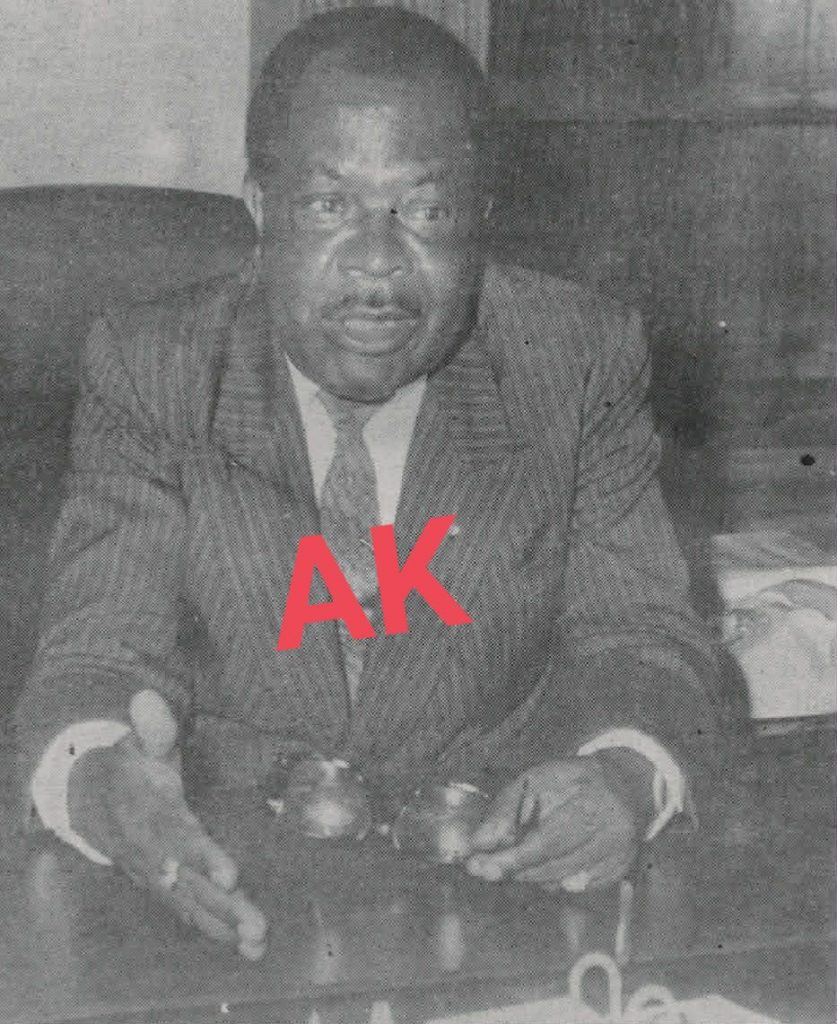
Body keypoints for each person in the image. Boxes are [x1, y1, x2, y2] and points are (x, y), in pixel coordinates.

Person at [14, 7, 723, 960]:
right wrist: (102, 779)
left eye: (426, 212)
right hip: (215, 879)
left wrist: (627, 775)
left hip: (493, 888)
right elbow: (97, 649)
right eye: (327, 206)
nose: (378, 262)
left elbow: (638, 634)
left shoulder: (575, 357)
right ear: (261, 208)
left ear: (478, 218)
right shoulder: (156, 364)